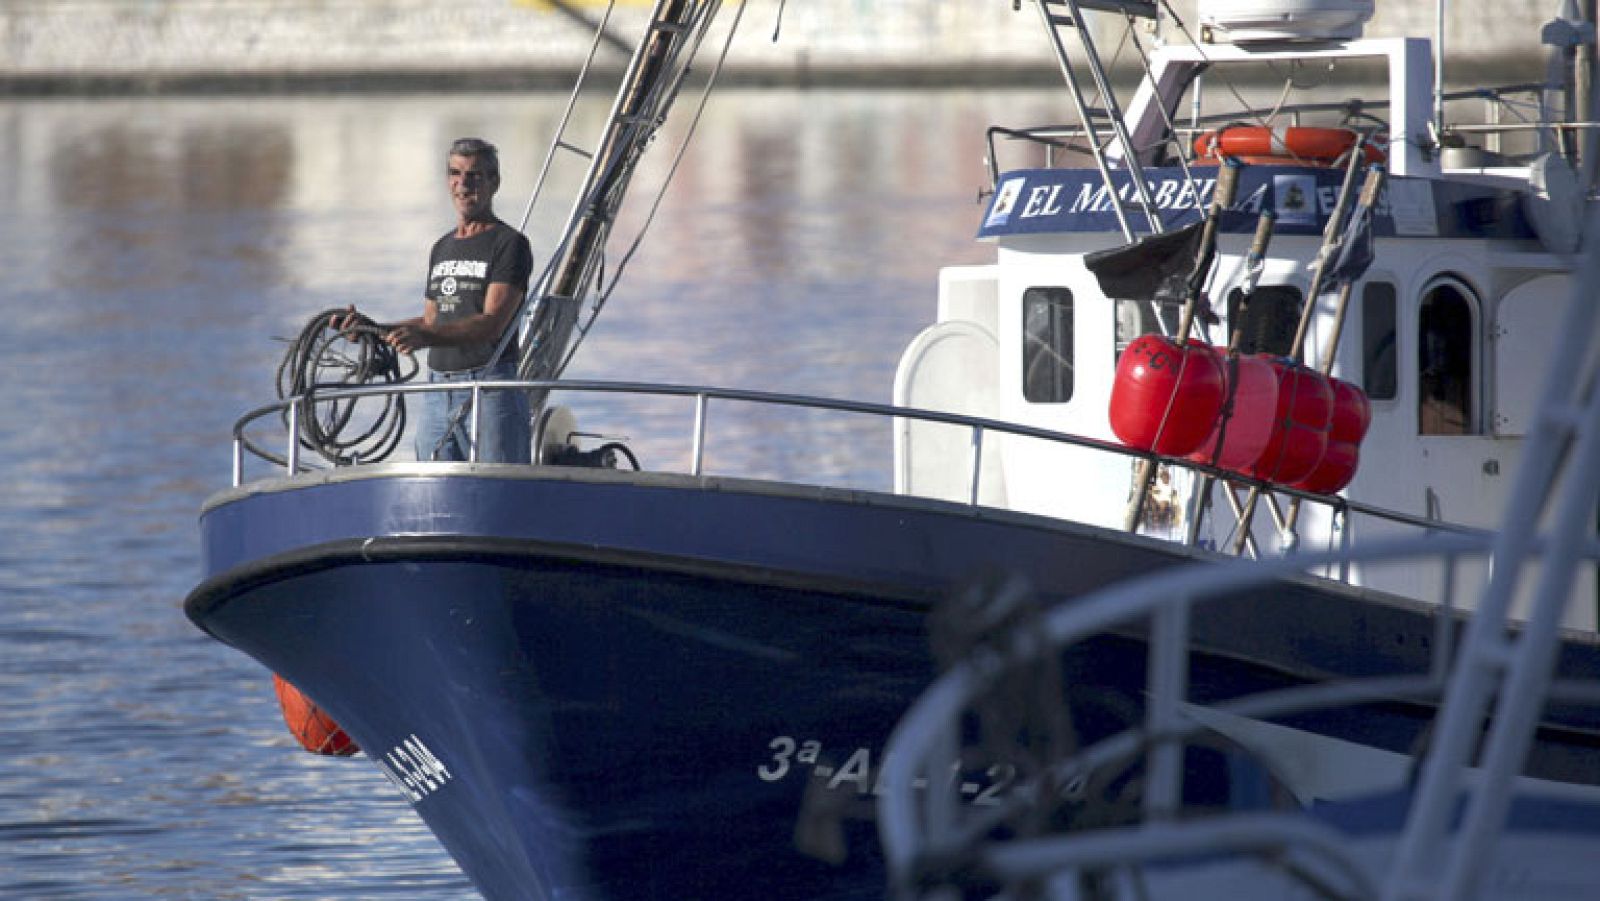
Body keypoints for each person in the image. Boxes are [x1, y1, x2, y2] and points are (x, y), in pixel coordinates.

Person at [342, 137, 535, 463]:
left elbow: (492, 324)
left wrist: (426, 337)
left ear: (494, 183)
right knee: (433, 489)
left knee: (496, 489)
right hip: (436, 392)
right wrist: (373, 329)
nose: (463, 184)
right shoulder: (442, 247)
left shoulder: (510, 244)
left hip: (489, 389)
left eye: (474, 176)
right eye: (455, 174)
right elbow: (431, 321)